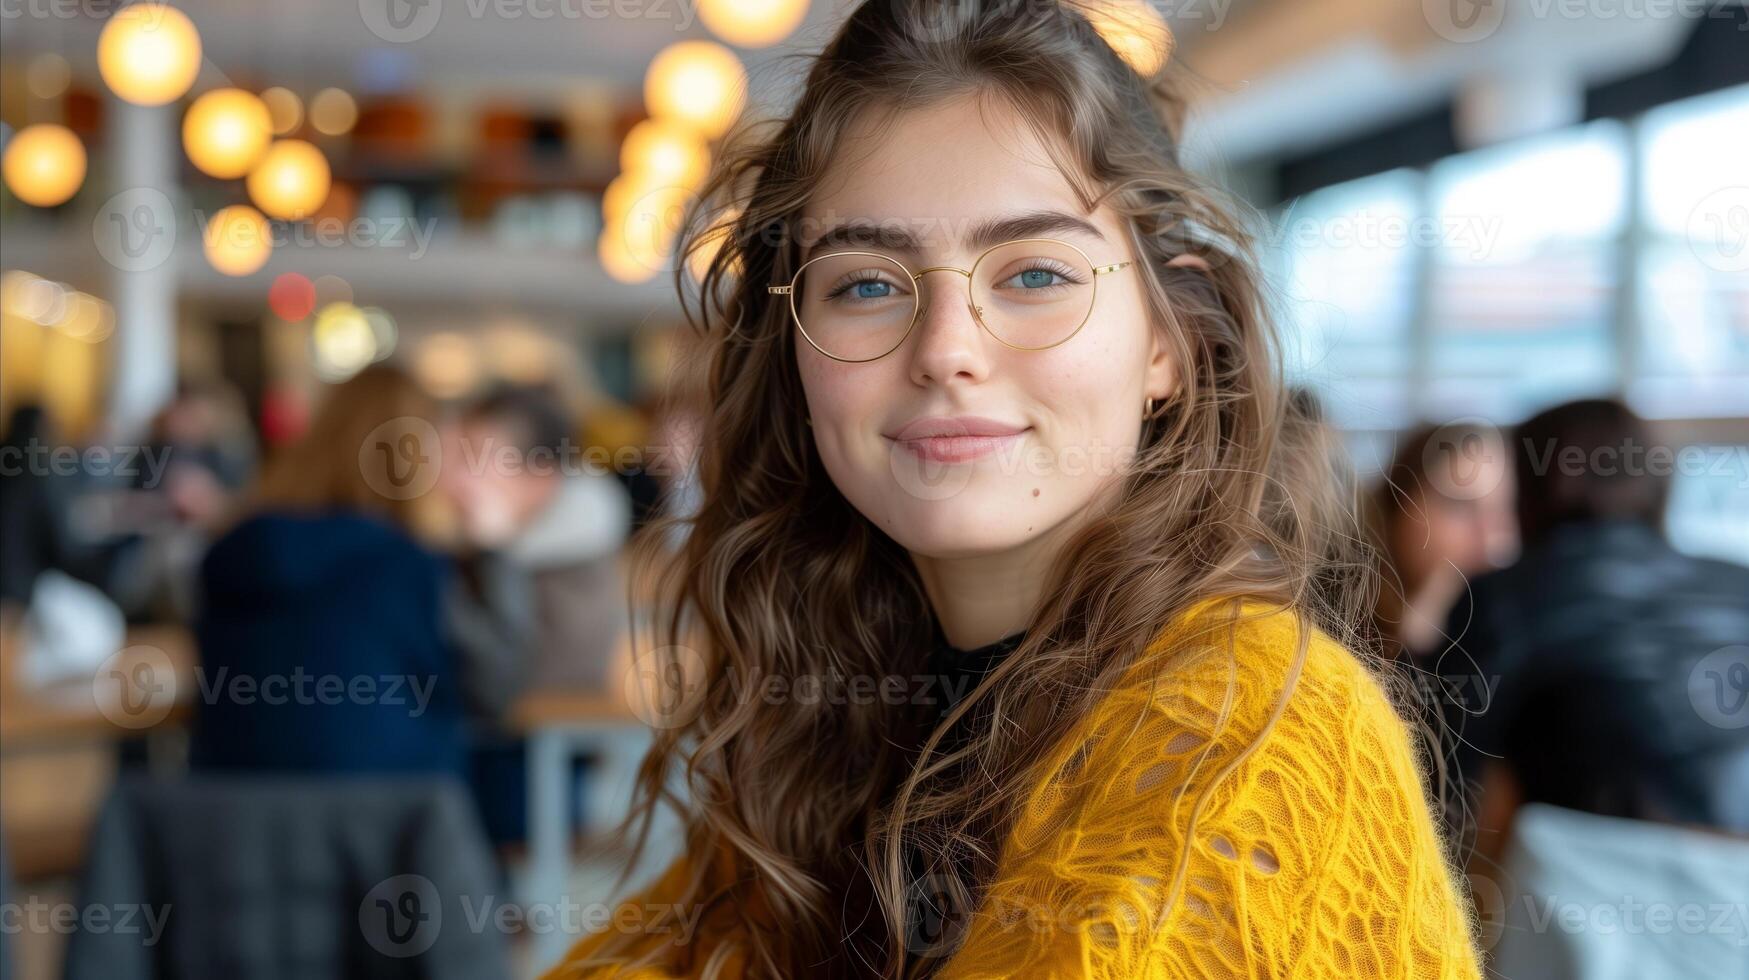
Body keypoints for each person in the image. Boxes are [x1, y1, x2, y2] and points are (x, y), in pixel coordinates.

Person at [545, 1, 1482, 977]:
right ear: (794, 355)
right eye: (865, 283)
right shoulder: (838, 722)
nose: (946, 347)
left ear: (1168, 338)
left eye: (1035, 272)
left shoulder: (1259, 739)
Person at [1439, 399, 1749, 869]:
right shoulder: (1736, 583)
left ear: (1530, 492)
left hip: (1597, 902)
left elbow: (1435, 779)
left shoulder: (1506, 597)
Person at [189, 364, 469, 776]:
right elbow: (460, 687)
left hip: (235, 816)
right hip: (387, 815)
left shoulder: (232, 551)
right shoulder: (409, 565)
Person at [442, 384, 633, 843]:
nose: (459, 478)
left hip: (530, 769)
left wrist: (494, 550)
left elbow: (507, 683)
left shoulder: (571, 547)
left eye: (480, 458)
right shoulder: (494, 543)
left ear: (541, 474)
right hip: (494, 755)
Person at [1366, 422, 1517, 660]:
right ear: (1397, 507)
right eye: (1459, 506)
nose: (1489, 537)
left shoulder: (1520, 630)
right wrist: (1415, 642)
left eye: (1503, 509)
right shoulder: (1330, 623)